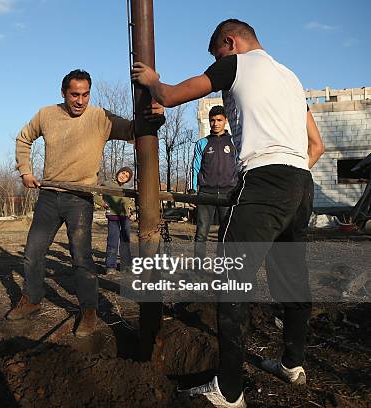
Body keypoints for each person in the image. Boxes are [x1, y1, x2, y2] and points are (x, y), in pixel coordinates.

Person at [132, 19, 325, 408]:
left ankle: (230, 391)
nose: (216, 64)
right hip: (301, 183)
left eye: (216, 54)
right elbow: (316, 145)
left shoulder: (237, 64)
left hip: (264, 181)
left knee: (230, 283)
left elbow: (169, 96)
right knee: (291, 278)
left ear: (229, 42)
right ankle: (292, 363)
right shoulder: (290, 77)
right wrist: (290, 175)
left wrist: (153, 79)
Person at [8, 69, 165, 338]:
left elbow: (132, 130)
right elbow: (24, 138)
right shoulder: (46, 115)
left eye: (85, 94)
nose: (80, 101)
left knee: (81, 258)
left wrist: (155, 116)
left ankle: (89, 311)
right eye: (74, 95)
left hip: (79, 198)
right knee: (33, 252)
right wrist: (25, 170)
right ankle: (32, 299)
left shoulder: (100, 118)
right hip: (48, 195)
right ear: (63, 93)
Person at [190, 105, 238, 260]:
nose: (215, 123)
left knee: (225, 235)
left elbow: (240, 165)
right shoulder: (202, 143)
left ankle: (222, 271)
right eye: (212, 120)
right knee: (201, 234)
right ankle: (198, 272)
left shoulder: (234, 143)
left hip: (228, 194)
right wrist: (192, 191)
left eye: (219, 120)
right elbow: (195, 166)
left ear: (225, 121)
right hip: (205, 193)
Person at [96, 166, 135, 275]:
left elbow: (128, 202)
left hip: (125, 218)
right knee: (113, 241)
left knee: (125, 242)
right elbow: (95, 194)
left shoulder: (126, 189)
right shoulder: (107, 184)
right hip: (113, 217)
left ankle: (126, 265)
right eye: (123, 173)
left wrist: (131, 207)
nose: (124, 177)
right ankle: (110, 266)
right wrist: (104, 204)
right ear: (118, 173)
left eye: (127, 176)